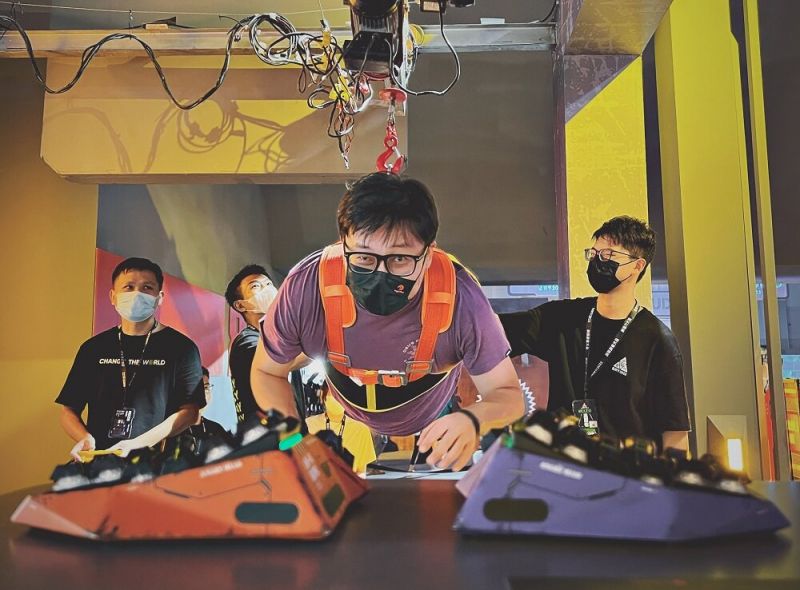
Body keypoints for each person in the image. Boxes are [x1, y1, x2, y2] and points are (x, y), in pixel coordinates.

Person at [252, 172, 526, 471]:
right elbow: (267, 372)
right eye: (364, 257)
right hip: (348, 407)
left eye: (400, 259)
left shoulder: (463, 300)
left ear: (429, 254)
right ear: (343, 245)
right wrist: (293, 442)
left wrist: (474, 419)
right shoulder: (305, 289)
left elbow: (508, 395)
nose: (380, 273)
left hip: (432, 409)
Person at [499, 216, 691, 451]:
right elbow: (493, 332)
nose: (598, 261)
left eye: (608, 255)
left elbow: (674, 432)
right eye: (594, 254)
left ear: (637, 266)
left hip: (625, 467)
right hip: (565, 463)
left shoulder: (657, 339)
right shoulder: (561, 318)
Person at [56, 257, 205, 461]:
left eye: (147, 288)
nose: (137, 294)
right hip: (100, 460)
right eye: (128, 287)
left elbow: (190, 412)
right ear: (113, 296)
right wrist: (84, 438)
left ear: (159, 297)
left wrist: (138, 444)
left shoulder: (182, 348)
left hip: (155, 462)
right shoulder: (93, 349)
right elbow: (68, 409)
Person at [225, 264, 278, 423]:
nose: (267, 290)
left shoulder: (275, 339)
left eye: (269, 284)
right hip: (269, 434)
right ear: (240, 305)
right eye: (256, 286)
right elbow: (276, 361)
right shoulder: (246, 341)